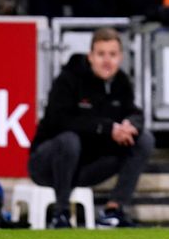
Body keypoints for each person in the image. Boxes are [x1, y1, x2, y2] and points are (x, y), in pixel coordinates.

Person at [29, 28, 154, 228]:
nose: (107, 61)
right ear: (90, 56)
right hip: (47, 165)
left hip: (87, 166)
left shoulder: (120, 82)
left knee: (144, 139)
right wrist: (107, 128)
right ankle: (60, 213)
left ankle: (113, 211)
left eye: (112, 55)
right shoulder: (69, 78)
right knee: (69, 140)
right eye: (101, 54)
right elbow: (59, 120)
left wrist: (130, 125)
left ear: (120, 57)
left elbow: (135, 112)